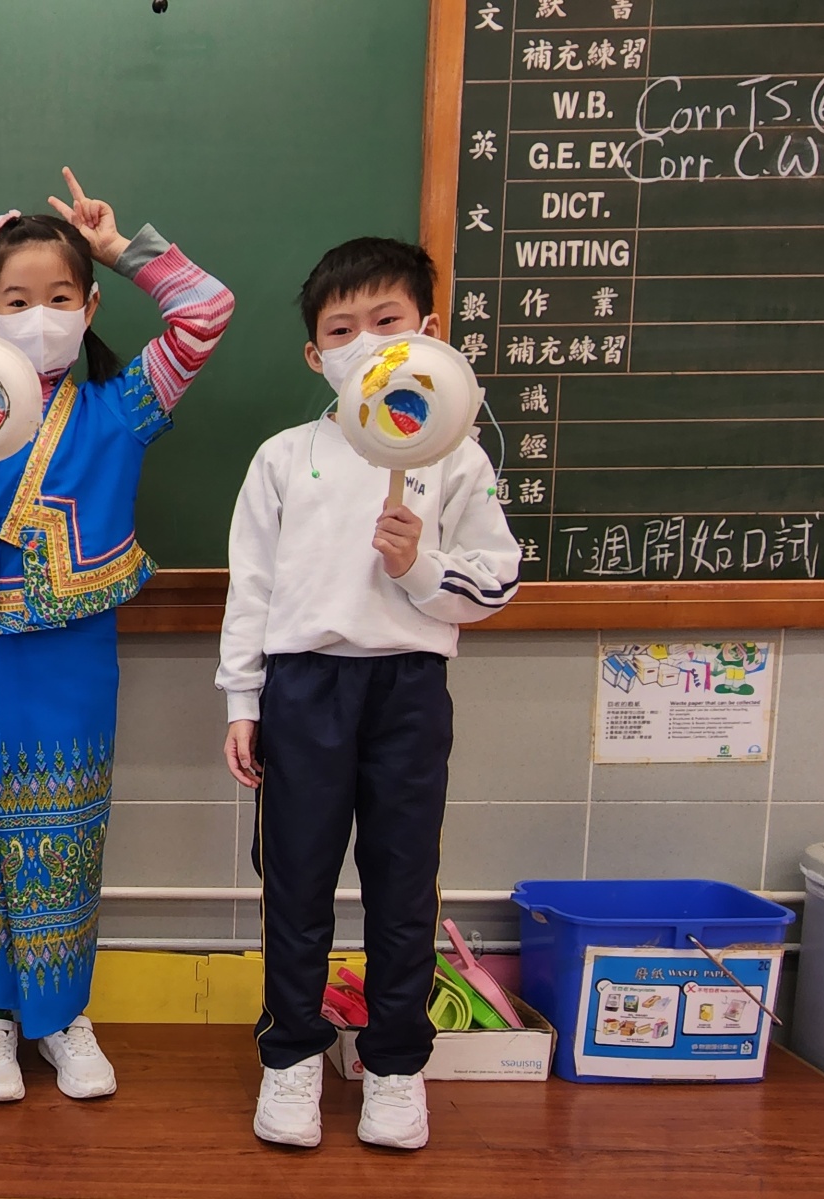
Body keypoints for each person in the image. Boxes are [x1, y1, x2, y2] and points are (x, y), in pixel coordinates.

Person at [0, 169, 235, 1104]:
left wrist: (121, 249)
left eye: (60, 297)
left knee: (70, 829)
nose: (39, 317)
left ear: (89, 308)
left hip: (78, 654)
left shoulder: (121, 407)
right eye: (18, 301)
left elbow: (206, 312)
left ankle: (61, 1015)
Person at [217, 237, 521, 1151]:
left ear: (429, 330)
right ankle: (292, 1058)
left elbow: (495, 582)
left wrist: (419, 566)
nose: (367, 343)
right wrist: (243, 701)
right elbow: (250, 589)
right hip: (304, 688)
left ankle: (395, 1067)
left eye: (387, 321)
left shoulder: (456, 456)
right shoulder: (284, 457)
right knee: (296, 883)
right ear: (316, 354)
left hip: (408, 689)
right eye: (342, 330)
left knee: (402, 884)